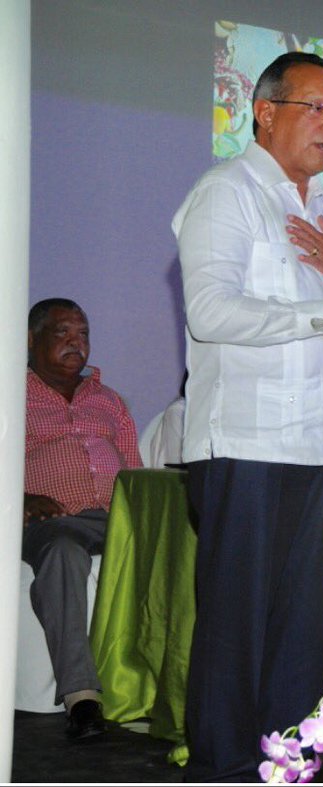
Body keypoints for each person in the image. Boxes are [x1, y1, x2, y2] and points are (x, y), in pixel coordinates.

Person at [173, 51, 323, 781]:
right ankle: (223, 768)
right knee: (237, 632)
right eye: (315, 108)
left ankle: (287, 767)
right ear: (265, 111)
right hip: (245, 444)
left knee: (300, 634)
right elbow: (210, 311)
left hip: (317, 444)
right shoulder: (226, 192)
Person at [23, 298, 142, 740]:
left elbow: (133, 469)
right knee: (62, 549)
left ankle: (159, 688)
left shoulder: (109, 401)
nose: (77, 343)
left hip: (115, 517)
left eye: (84, 334)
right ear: (31, 340)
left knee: (176, 547)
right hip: (48, 520)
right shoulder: (10, 393)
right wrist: (20, 496)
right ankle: (82, 698)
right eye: (63, 333)